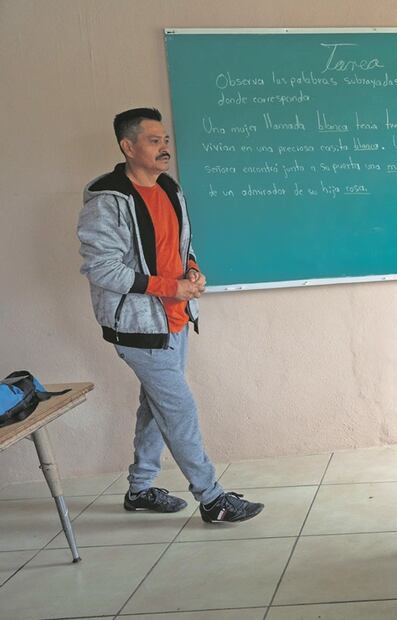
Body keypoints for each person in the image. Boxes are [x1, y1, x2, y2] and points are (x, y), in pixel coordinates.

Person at [78, 107, 263, 523]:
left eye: (165, 140)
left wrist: (192, 270)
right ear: (128, 147)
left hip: (175, 318)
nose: (165, 148)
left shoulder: (169, 188)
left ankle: (140, 489)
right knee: (179, 409)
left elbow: (181, 246)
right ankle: (212, 499)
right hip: (138, 326)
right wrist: (169, 287)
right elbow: (103, 268)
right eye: (153, 140)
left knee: (156, 404)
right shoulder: (107, 201)